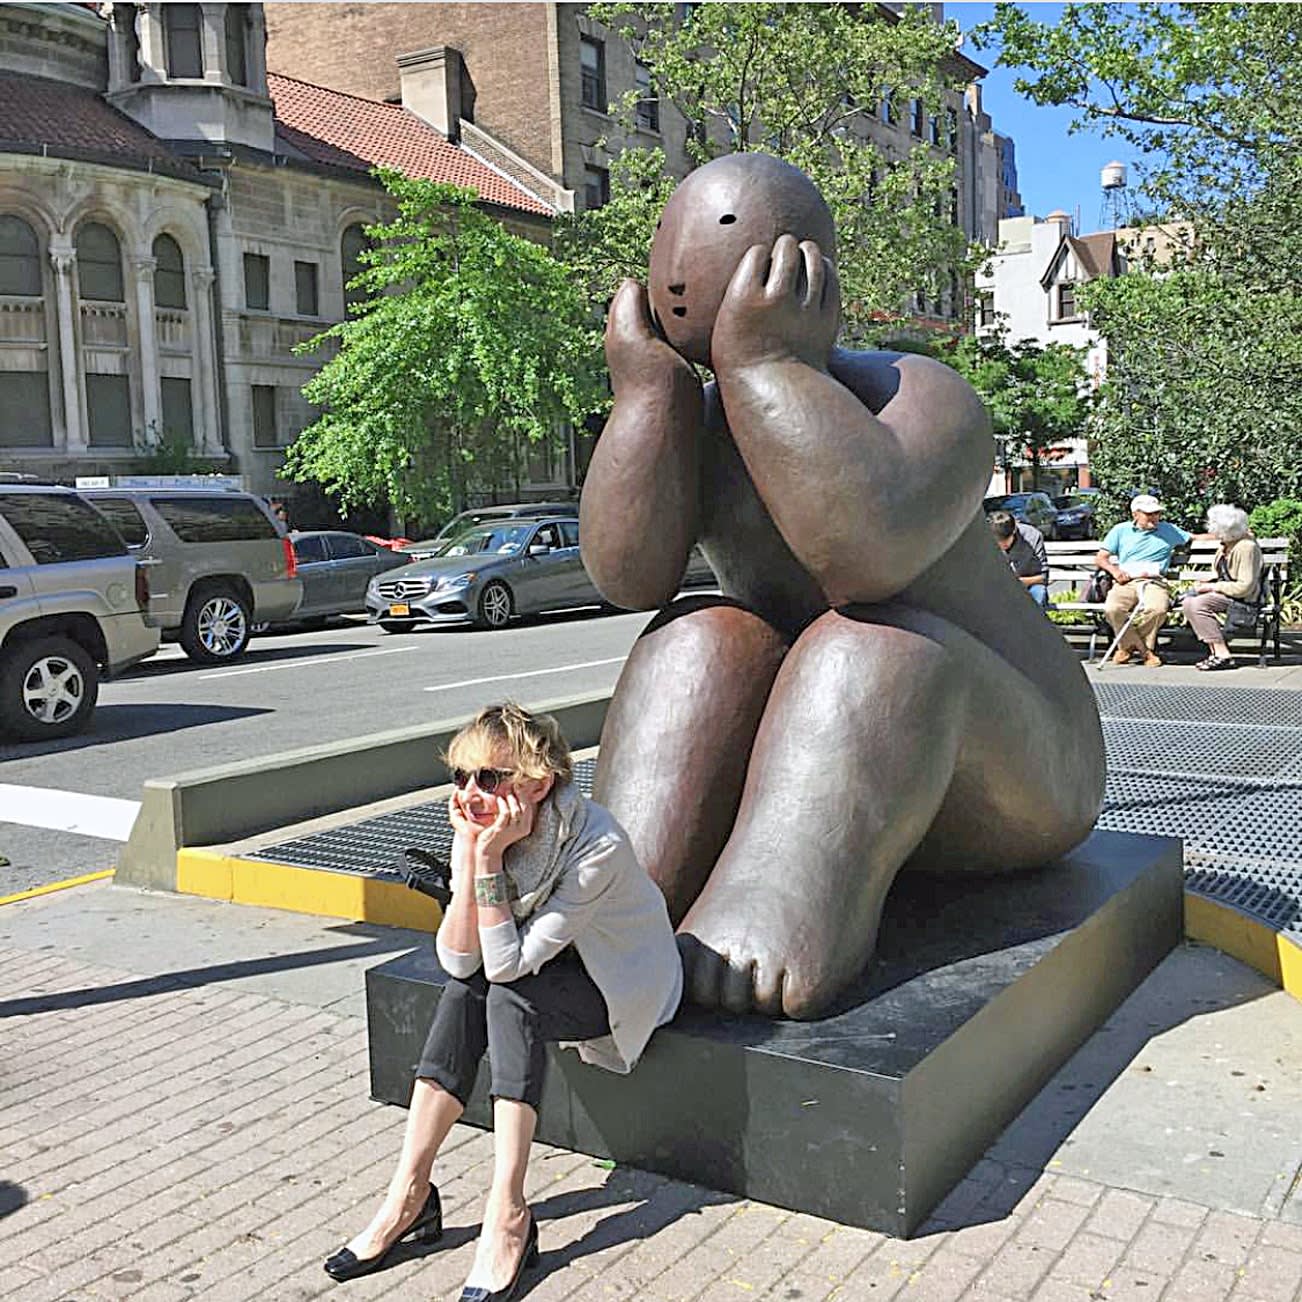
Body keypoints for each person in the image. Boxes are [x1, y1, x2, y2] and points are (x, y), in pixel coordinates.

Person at [580, 152, 1105, 1020]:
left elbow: (870, 554)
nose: (677, 271)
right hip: (849, 772)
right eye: (667, 240)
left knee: (868, 640)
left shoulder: (918, 395)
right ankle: (620, 894)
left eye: (714, 239)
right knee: (696, 634)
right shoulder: (699, 426)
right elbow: (628, 577)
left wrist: (767, 368)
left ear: (797, 265)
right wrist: (646, 398)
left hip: (1019, 768)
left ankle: (781, 903)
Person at [323, 704, 681, 1301]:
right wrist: (471, 856)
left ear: (538, 783)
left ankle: (508, 1210)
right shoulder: (486, 828)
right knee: (468, 993)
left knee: (510, 996)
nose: (469, 792)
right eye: (460, 777)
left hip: (615, 981)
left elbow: (508, 966)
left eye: (489, 778)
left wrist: (485, 861)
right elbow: (462, 962)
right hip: (534, 964)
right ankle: (408, 1192)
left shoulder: (594, 843)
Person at [1095, 493, 1196, 667]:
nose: (1154, 517)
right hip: (1126, 581)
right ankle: (1145, 651)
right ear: (1135, 514)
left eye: (1156, 513)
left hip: (1154, 581)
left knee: (1157, 609)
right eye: (1149, 514)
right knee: (1113, 609)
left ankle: (1127, 647)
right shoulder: (1120, 530)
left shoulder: (1168, 530)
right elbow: (1101, 558)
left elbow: (1196, 538)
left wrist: (1234, 532)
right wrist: (1115, 571)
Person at [1180, 504, 1262, 671]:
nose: (1212, 530)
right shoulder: (1226, 544)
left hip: (1243, 598)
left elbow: (1244, 587)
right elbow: (1221, 571)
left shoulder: (1246, 547)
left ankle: (1222, 654)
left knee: (1197, 604)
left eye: (1214, 526)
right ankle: (1216, 652)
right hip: (1227, 593)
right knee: (1189, 601)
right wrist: (1206, 582)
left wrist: (1212, 588)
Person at [987, 510, 1050, 608]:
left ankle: (1031, 622)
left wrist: (1018, 582)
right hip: (998, 588)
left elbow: (1043, 577)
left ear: (1014, 530)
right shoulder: (986, 538)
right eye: (997, 542)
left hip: (1029, 587)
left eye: (1005, 541)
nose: (1001, 545)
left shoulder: (1033, 536)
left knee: (1039, 594)